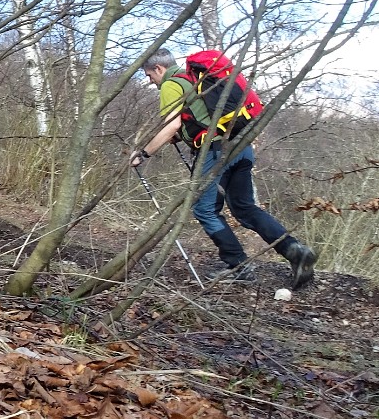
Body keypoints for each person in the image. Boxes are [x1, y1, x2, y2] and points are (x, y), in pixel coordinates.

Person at [130, 49, 317, 287]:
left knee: (204, 209)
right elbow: (195, 119)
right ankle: (295, 251)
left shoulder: (171, 84)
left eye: (148, 75)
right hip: (241, 146)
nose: (150, 81)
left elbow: (172, 124)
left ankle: (238, 265)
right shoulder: (196, 78)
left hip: (215, 151)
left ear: (159, 69)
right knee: (245, 207)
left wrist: (144, 153)